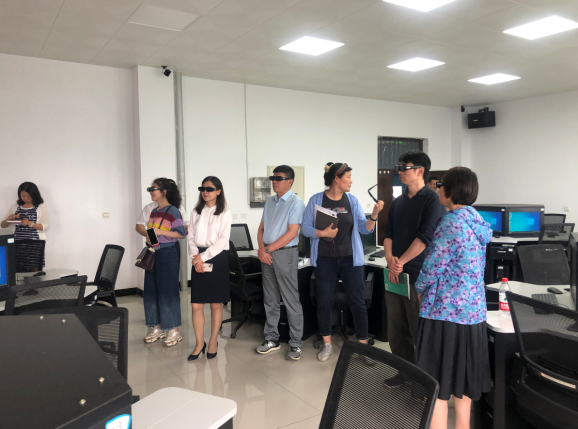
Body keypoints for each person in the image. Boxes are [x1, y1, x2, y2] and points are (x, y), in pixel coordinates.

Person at [414, 167, 492, 429]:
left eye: (440, 185)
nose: (437, 188)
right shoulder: (476, 220)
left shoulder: (450, 222)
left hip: (444, 313)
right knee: (463, 380)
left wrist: (419, 287)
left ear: (450, 190)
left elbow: (434, 265)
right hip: (473, 314)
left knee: (437, 382)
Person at [303, 163, 384, 362]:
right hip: (324, 259)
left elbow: (364, 229)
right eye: (348, 176)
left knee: (357, 302)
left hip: (350, 259)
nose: (351, 181)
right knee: (324, 301)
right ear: (336, 178)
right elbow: (305, 228)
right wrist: (322, 233)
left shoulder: (352, 200)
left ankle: (363, 346)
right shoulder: (316, 200)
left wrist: (374, 215)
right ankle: (327, 344)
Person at [383, 151, 446, 367]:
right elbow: (388, 233)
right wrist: (390, 259)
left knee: (417, 327)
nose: (400, 171)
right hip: (394, 273)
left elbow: (424, 238)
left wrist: (400, 262)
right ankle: (404, 371)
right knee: (396, 328)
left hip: (417, 274)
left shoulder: (432, 200)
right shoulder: (398, 202)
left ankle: (423, 378)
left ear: (420, 171)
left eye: (405, 167)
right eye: (399, 167)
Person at [255, 165, 306, 361]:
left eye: (279, 178)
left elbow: (292, 233)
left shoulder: (296, 202)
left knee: (290, 299)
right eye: (273, 178)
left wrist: (267, 250)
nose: (274, 181)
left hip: (285, 254)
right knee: (270, 299)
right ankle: (271, 339)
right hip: (267, 254)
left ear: (290, 181)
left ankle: (296, 343)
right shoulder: (269, 202)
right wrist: (262, 249)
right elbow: (261, 229)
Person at [137, 178, 186, 347]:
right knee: (151, 291)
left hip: (168, 253)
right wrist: (150, 238)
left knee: (168, 291)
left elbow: (181, 233)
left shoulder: (173, 211)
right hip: (154, 253)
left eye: (154, 189)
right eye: (150, 189)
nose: (151, 192)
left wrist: (160, 232)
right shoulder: (153, 212)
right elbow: (151, 232)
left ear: (164, 192)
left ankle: (173, 330)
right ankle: (156, 327)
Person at [187, 176, 231, 361]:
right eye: (202, 189)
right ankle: (199, 344)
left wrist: (202, 257)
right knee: (196, 305)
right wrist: (195, 256)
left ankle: (213, 341)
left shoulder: (224, 213)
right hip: (197, 256)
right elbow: (190, 237)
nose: (205, 192)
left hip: (217, 258)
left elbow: (223, 240)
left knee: (215, 304)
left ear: (218, 191)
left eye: (210, 189)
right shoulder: (195, 211)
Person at [1, 182, 49, 270]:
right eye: (23, 196)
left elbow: (45, 227)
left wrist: (29, 223)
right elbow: (3, 225)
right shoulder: (16, 206)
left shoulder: (40, 207)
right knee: (15, 270)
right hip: (16, 245)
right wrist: (9, 218)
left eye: (29, 196)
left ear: (34, 195)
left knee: (34, 272)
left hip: (34, 245)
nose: (26, 198)